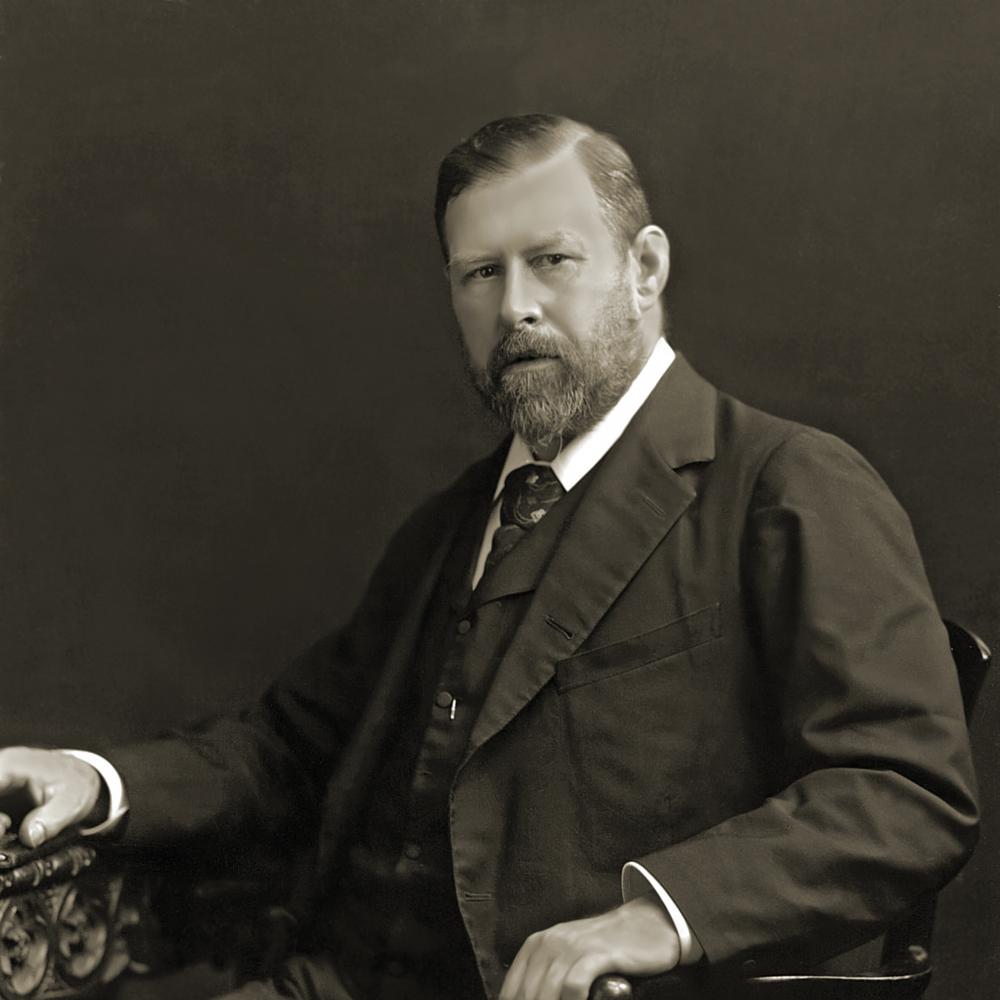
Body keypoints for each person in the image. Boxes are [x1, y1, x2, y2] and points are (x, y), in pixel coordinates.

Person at [0, 114, 979, 1000]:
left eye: (551, 260)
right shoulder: (452, 524)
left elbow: (905, 789)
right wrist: (95, 778)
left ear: (644, 268)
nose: (514, 306)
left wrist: (660, 914)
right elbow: (292, 744)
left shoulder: (786, 485)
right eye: (479, 273)